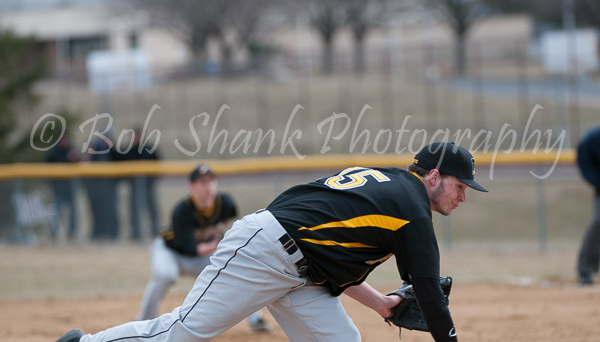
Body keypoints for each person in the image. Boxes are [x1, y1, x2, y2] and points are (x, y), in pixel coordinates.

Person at [56, 141, 488, 342]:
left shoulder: (392, 188)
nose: (463, 194)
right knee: (185, 331)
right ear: (433, 176)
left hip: (301, 270)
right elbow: (429, 293)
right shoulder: (410, 208)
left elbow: (326, 255)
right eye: (460, 185)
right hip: (266, 249)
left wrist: (382, 304)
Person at [136, 163, 272, 332]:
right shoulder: (182, 210)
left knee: (235, 271)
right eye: (202, 182)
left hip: (201, 255)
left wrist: (224, 234)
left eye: (211, 181)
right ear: (192, 186)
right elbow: (194, 248)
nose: (208, 186)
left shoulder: (225, 203)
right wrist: (220, 243)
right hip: (170, 252)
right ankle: (143, 321)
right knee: (165, 275)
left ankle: (256, 319)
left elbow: (229, 221)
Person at [115, 128, 160, 240]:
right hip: (135, 186)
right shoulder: (130, 150)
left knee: (152, 209)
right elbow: (118, 160)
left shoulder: (150, 149)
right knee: (134, 210)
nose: (137, 138)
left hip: (148, 185)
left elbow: (158, 164)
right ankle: (136, 234)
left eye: (139, 135)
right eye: (135, 136)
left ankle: (155, 232)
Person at [575, 125, 600, 285]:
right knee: (599, 222)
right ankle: (586, 268)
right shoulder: (594, 138)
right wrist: (597, 181)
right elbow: (583, 156)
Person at [84, 134, 120, 241]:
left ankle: (113, 234)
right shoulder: (94, 151)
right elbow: (84, 165)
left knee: (111, 212)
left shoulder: (113, 152)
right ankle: (97, 234)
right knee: (96, 212)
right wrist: (89, 151)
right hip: (95, 189)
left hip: (109, 188)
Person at [47, 133, 81, 239]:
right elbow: (49, 165)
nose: (65, 141)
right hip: (58, 188)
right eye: (63, 139)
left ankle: (72, 233)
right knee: (56, 211)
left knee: (74, 212)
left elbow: (79, 163)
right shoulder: (54, 152)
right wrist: (67, 158)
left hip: (71, 187)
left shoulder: (71, 149)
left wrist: (76, 158)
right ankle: (54, 233)